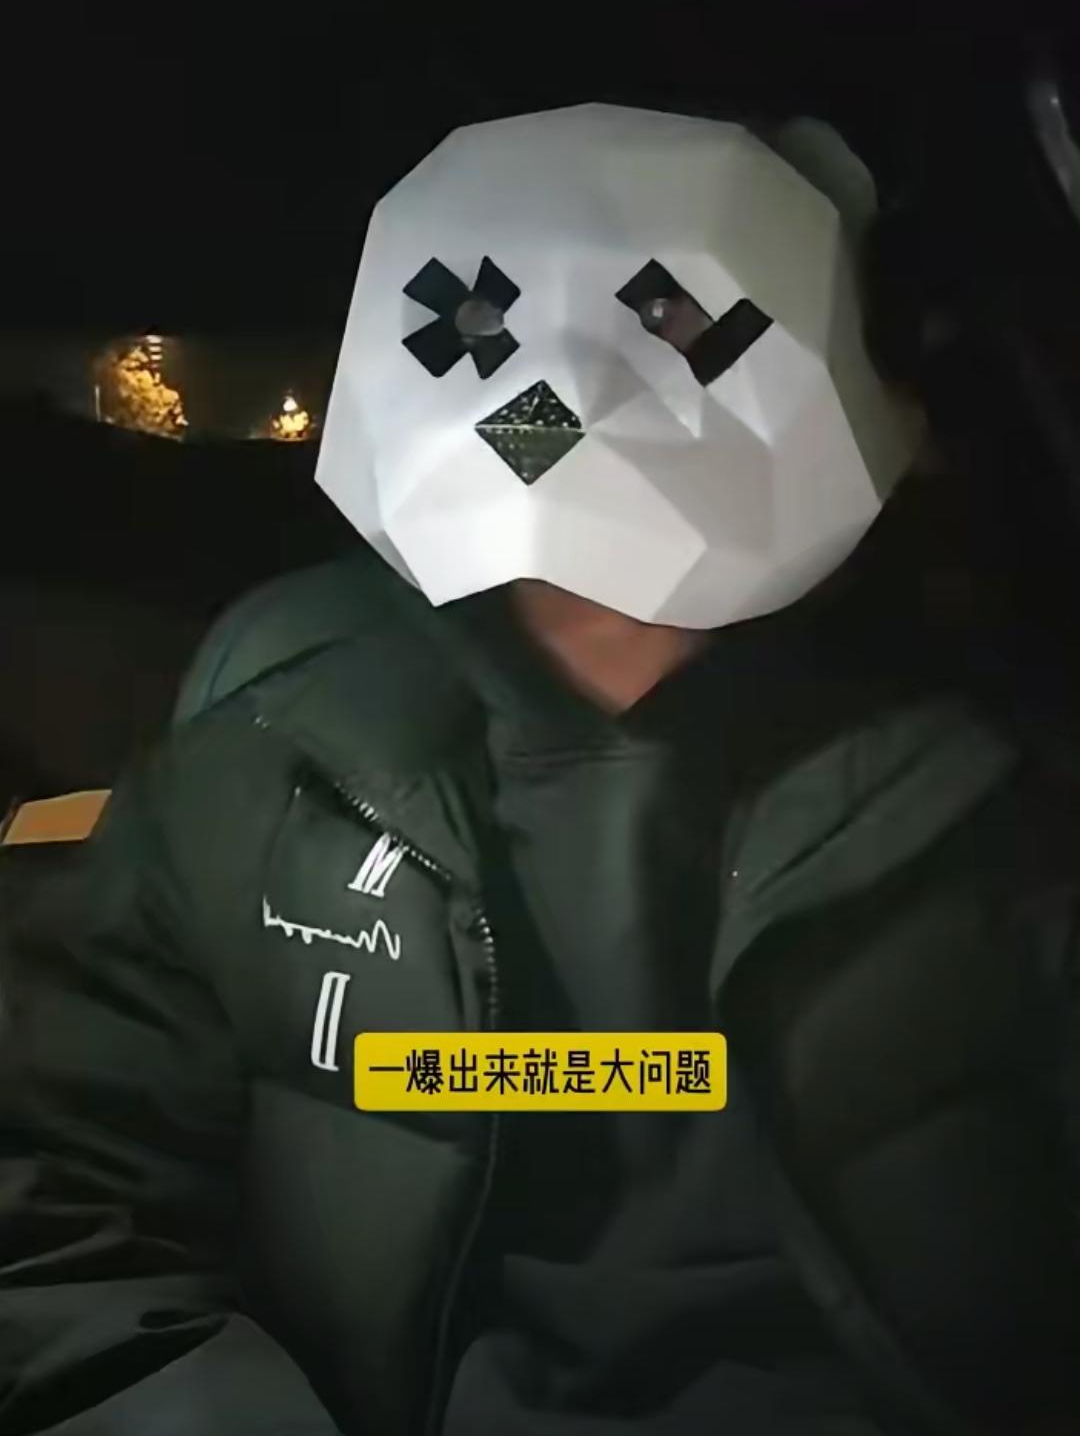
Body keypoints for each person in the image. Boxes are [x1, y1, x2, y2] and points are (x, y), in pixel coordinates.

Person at [1, 105, 1078, 1436]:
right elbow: (61, 1212)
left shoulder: (996, 787)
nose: (578, 398)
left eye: (675, 326)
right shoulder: (267, 775)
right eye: (483, 330)